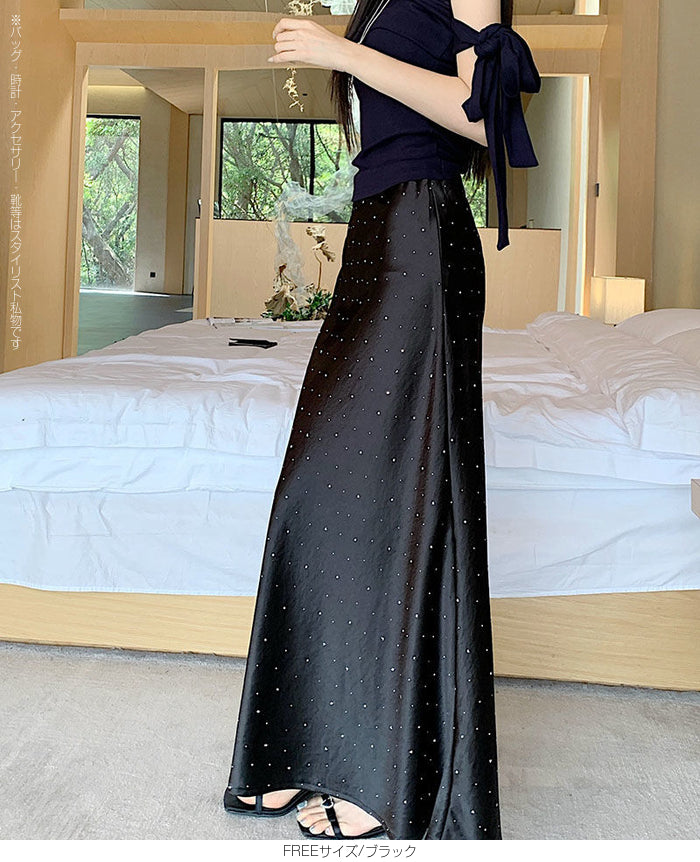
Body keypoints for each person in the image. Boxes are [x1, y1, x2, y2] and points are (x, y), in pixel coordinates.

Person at [222, 0, 540, 841]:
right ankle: (306, 746)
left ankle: (386, 775)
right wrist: (343, 44)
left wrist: (343, 53)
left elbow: (479, 118)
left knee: (397, 500)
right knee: (318, 492)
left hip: (422, 236)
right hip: (378, 232)